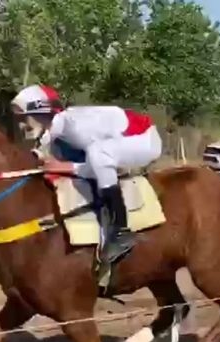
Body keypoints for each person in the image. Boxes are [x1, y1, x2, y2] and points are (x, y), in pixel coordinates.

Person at [10, 84, 162, 264]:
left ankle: (120, 230)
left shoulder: (77, 129)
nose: (21, 126)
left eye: (24, 119)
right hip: (117, 142)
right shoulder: (59, 130)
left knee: (99, 152)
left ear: (41, 115)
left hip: (144, 140)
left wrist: (65, 167)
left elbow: (99, 166)